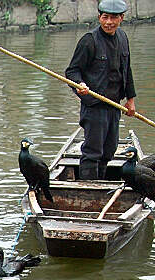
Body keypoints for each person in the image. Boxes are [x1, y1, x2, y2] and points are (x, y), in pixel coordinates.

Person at [64, 0, 137, 180]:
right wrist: (79, 85)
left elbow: (126, 70)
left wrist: (131, 99)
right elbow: (72, 71)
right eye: (105, 18)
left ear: (122, 18)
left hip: (114, 105)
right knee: (93, 151)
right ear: (99, 17)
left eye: (113, 18)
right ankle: (88, 190)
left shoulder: (122, 38)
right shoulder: (89, 41)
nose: (108, 22)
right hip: (94, 106)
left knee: (109, 150)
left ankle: (101, 182)